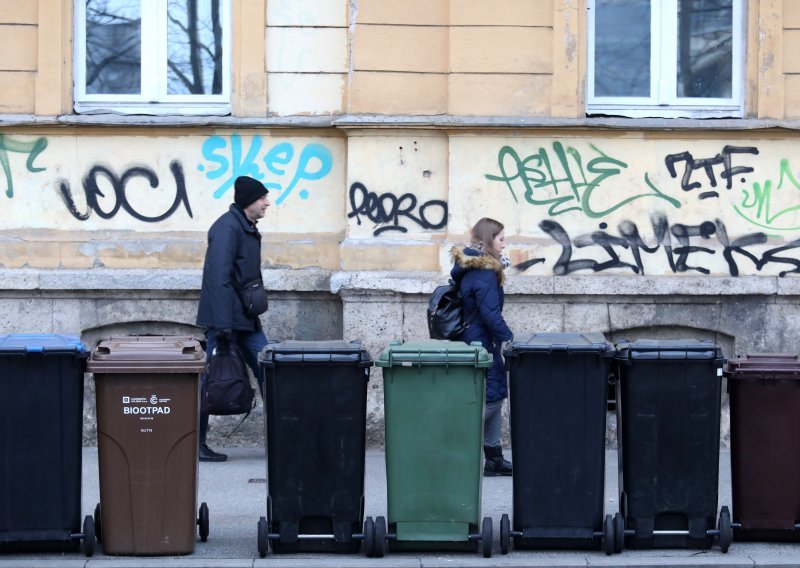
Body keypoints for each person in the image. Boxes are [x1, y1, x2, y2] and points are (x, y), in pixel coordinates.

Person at [196, 175, 271, 462]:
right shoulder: (228, 228)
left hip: (244, 319)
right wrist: (224, 325)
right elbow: (219, 279)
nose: (267, 202)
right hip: (226, 321)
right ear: (249, 201)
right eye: (262, 197)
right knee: (210, 380)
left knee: (270, 372)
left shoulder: (245, 226)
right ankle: (197, 444)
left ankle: (283, 438)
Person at [450, 217, 514, 476]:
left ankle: (494, 458)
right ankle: (452, 444)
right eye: (501, 239)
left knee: (493, 396)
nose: (504, 243)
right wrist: (510, 337)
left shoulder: (474, 267)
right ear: (490, 240)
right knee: (489, 401)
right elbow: (490, 314)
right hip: (480, 343)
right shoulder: (485, 272)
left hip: (476, 340)